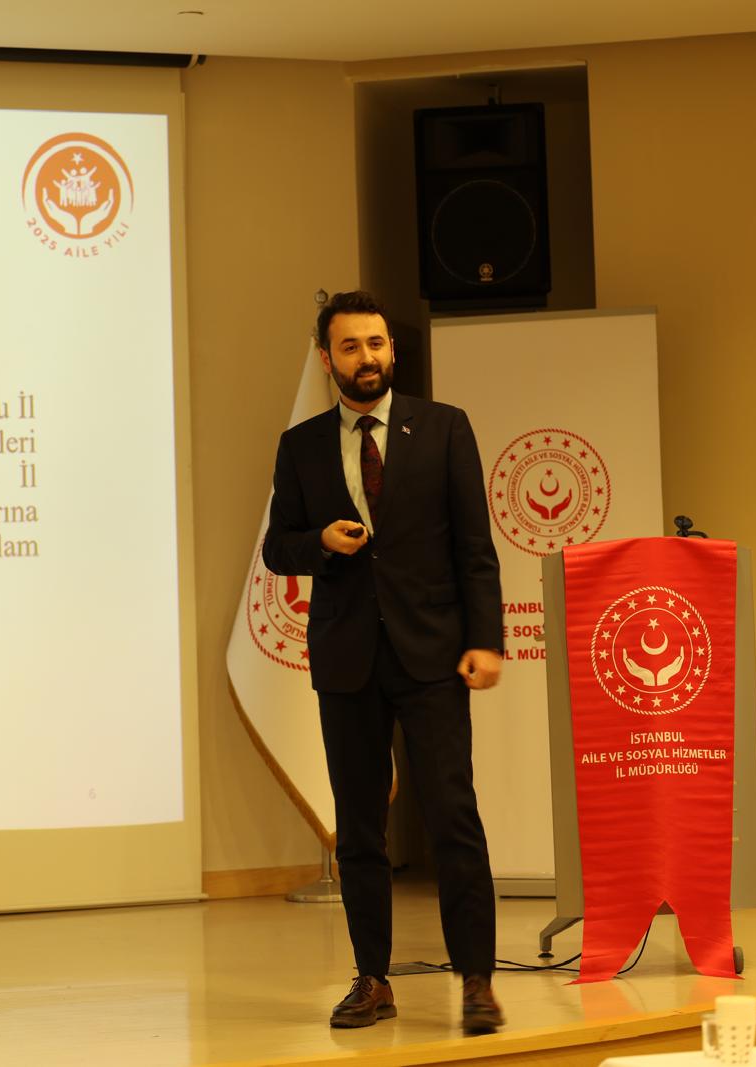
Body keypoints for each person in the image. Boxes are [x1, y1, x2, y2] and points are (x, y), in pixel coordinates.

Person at [261, 290, 506, 1035]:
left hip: (433, 654)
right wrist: (319, 543)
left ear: (391, 350)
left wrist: (486, 639)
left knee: (452, 817)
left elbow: (475, 547)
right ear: (326, 357)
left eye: (376, 343)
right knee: (360, 828)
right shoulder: (301, 445)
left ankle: (476, 980)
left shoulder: (444, 427)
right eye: (349, 346)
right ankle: (372, 978)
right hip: (347, 660)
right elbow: (277, 548)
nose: (366, 357)